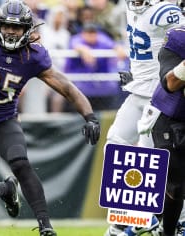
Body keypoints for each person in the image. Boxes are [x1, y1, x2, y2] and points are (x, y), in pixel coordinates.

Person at [0, 1, 100, 235]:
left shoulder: (33, 56)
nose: (11, 32)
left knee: (20, 163)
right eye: (7, 26)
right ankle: (6, 189)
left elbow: (66, 86)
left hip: (5, 120)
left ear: (26, 30)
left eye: (17, 27)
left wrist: (90, 116)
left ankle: (45, 225)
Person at [104, 0, 185, 235]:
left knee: (155, 159)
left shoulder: (166, 11)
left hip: (158, 93)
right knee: (116, 142)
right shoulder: (131, 8)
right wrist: (136, 70)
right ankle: (133, 215)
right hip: (137, 89)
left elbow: (180, 43)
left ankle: (168, 219)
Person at [149, 24, 185, 236]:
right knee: (175, 186)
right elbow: (169, 82)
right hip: (170, 118)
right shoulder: (178, 37)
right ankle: (165, 229)